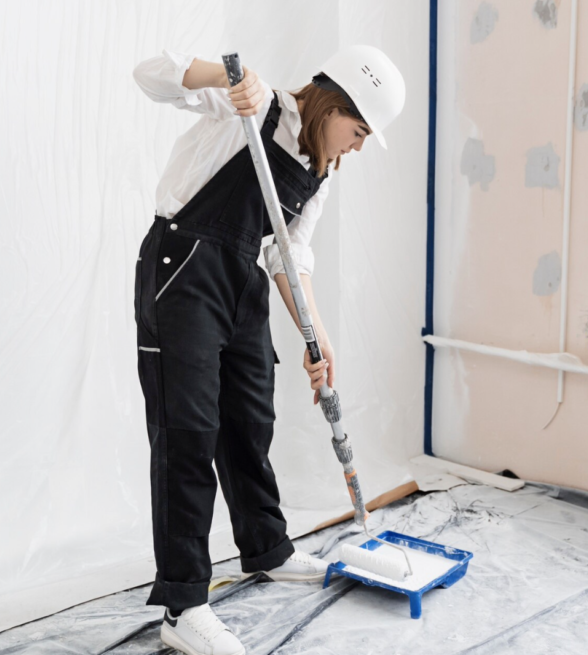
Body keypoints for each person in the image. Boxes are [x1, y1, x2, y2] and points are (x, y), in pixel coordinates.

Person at [132, 45, 405, 655]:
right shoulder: (250, 105)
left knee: (251, 421)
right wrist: (225, 78)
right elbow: (149, 74)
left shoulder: (322, 169)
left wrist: (317, 333)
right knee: (189, 433)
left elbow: (288, 252)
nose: (357, 147)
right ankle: (183, 605)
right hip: (186, 270)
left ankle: (266, 548)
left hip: (243, 280)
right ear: (333, 103)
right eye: (357, 131)